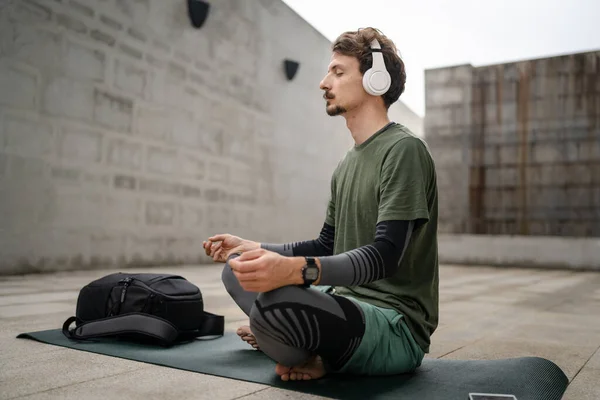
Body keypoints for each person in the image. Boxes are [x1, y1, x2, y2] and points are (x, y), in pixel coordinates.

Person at [202, 27, 439, 382]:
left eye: (338, 72)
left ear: (375, 80)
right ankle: (288, 337)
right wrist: (255, 247)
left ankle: (286, 338)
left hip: (392, 324)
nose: (323, 82)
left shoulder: (404, 150)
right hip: (341, 301)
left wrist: (295, 271)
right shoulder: (346, 164)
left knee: (275, 304)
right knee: (239, 267)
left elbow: (386, 255)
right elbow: (326, 244)